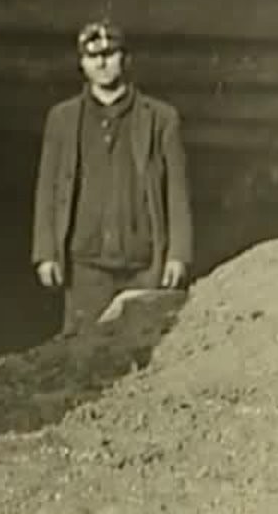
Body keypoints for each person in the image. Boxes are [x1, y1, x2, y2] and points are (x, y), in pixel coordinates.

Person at [31, 19, 194, 336]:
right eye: (93, 56)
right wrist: (45, 252)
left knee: (141, 351)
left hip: (143, 263)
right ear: (82, 64)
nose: (102, 63)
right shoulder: (63, 119)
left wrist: (178, 255)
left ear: (126, 58)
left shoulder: (161, 119)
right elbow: (48, 189)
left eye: (110, 53)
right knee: (82, 350)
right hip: (85, 268)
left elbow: (176, 191)